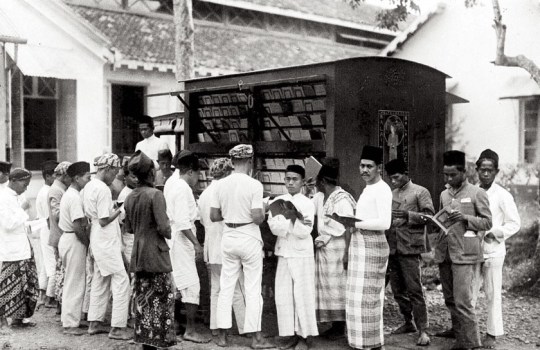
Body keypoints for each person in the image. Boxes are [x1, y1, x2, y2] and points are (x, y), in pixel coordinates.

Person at [210, 144, 274, 349]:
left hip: (228, 237)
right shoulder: (254, 185)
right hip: (249, 237)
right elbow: (257, 218)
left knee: (226, 287)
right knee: (253, 289)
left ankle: (221, 336)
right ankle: (255, 338)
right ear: (250, 161)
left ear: (232, 161)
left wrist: (231, 213)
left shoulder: (220, 184)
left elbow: (214, 216)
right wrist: (263, 209)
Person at [332, 146, 391, 350]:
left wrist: (354, 224)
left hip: (373, 245)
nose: (364, 170)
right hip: (359, 244)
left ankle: (372, 344)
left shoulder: (383, 189)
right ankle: (359, 342)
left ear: (379, 168)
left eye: (369, 166)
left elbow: (385, 223)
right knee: (356, 298)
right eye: (362, 165)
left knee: (368, 299)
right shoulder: (367, 188)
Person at [434, 150, 492, 350]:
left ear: (464, 172)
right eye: (445, 175)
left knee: (463, 301)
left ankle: (471, 343)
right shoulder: (444, 194)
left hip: (466, 255)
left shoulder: (477, 193)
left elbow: (487, 222)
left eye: (453, 175)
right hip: (446, 253)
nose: (449, 179)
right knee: (450, 299)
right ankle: (459, 336)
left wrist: (465, 218)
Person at [124, 150, 176, 350]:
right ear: (151, 174)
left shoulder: (130, 196)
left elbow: (128, 228)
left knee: (143, 298)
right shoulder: (156, 194)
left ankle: (146, 339)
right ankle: (159, 339)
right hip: (156, 253)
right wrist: (169, 232)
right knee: (161, 297)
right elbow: (164, 227)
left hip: (138, 254)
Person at [268, 164, 318, 350]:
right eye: (287, 179)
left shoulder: (307, 203)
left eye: (294, 179)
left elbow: (306, 230)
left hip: (301, 254)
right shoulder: (279, 200)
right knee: (284, 296)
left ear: (302, 182)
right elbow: (274, 226)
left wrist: (290, 219)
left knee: (302, 295)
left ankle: (305, 337)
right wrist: (288, 221)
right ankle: (289, 334)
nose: (290, 182)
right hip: (284, 252)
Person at [384, 158, 433, 346]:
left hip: (410, 248)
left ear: (406, 173)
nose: (393, 181)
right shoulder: (391, 193)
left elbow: (430, 217)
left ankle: (423, 330)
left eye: (396, 177)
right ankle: (408, 322)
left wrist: (408, 215)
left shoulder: (420, 192)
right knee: (397, 290)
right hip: (393, 247)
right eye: (391, 178)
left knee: (414, 289)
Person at [82, 153, 131, 340]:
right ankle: (117, 327)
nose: (115, 176)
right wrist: (121, 208)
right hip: (105, 238)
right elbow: (104, 220)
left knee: (101, 280)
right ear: (108, 169)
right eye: (115, 172)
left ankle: (94, 322)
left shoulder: (89, 186)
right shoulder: (102, 188)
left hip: (97, 237)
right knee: (121, 280)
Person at [475, 149, 520, 349]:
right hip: (472, 251)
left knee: (492, 293)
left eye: (489, 170)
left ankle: (492, 334)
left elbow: (514, 223)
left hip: (493, 250)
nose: (485, 174)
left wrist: (496, 232)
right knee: (469, 293)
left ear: (496, 172)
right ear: (476, 171)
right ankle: (467, 331)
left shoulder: (503, 195)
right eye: (482, 170)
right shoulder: (472, 192)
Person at [164, 150, 209, 343]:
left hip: (173, 238)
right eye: (198, 174)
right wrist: (197, 245)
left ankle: (174, 324)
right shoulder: (182, 187)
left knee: (176, 283)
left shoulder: (171, 182)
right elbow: (183, 222)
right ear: (190, 172)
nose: (198, 179)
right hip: (182, 239)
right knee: (191, 284)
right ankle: (190, 329)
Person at [198, 158, 246, 337]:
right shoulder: (227, 191)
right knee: (236, 288)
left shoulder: (204, 194)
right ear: (227, 173)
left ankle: (215, 327)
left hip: (211, 247)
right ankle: (244, 327)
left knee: (216, 289)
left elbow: (203, 221)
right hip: (227, 244)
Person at [311, 157, 355, 339]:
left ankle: (340, 326)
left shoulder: (342, 199)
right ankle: (332, 323)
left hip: (338, 247)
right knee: (327, 287)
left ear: (323, 181)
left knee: (339, 287)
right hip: (325, 249)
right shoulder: (320, 197)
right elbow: (310, 210)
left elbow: (349, 228)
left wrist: (347, 253)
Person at [0, 168, 38, 329]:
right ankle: (2, 318)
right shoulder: (3, 198)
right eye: (25, 183)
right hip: (11, 250)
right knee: (9, 286)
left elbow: (20, 223)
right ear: (13, 180)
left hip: (22, 247)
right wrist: (22, 209)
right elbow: (8, 224)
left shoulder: (17, 196)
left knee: (25, 284)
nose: (26, 187)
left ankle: (19, 317)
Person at [58, 162, 92, 335]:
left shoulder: (71, 194)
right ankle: (70, 323)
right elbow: (78, 226)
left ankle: (72, 319)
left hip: (68, 238)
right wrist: (88, 243)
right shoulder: (74, 197)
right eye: (87, 177)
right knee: (74, 281)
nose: (89, 180)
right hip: (73, 238)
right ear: (77, 178)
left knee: (74, 280)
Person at [47, 161, 72, 311]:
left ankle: (61, 305)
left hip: (60, 235)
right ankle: (61, 305)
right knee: (63, 272)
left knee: (62, 271)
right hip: (60, 235)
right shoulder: (56, 190)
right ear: (64, 176)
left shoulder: (59, 188)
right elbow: (57, 214)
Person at [35, 160, 59, 309]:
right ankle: (50, 297)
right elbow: (50, 218)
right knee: (52, 265)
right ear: (49, 176)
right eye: (56, 175)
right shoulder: (47, 192)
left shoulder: (43, 190)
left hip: (44, 229)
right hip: (48, 228)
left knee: (46, 264)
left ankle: (44, 294)